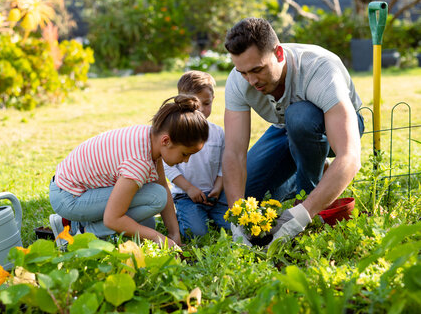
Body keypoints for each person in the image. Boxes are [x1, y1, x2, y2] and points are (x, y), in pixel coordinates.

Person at [222, 18, 364, 246]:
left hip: (337, 124)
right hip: (286, 130)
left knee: (300, 116)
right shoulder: (238, 82)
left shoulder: (320, 69)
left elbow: (350, 156)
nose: (251, 80)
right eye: (243, 72)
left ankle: (310, 192)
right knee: (245, 194)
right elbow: (234, 154)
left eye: (257, 70)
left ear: (279, 54)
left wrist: (301, 215)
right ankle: (314, 170)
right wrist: (238, 216)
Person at [49, 94, 209, 248]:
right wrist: (158, 237)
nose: (186, 160)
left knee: (147, 222)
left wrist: (174, 236)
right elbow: (112, 219)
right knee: (155, 197)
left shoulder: (151, 138)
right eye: (185, 154)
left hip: (71, 188)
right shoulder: (139, 162)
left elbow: (163, 185)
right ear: (166, 140)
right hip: (69, 197)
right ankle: (81, 234)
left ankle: (69, 224)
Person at [163, 71, 229, 238]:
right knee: (197, 233)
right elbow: (167, 167)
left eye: (206, 104)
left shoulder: (218, 132)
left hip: (215, 195)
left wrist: (218, 186)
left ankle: (209, 217)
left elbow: (224, 163)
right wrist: (189, 188)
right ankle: (184, 217)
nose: (201, 110)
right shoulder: (177, 132)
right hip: (187, 196)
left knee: (232, 227)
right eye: (196, 105)